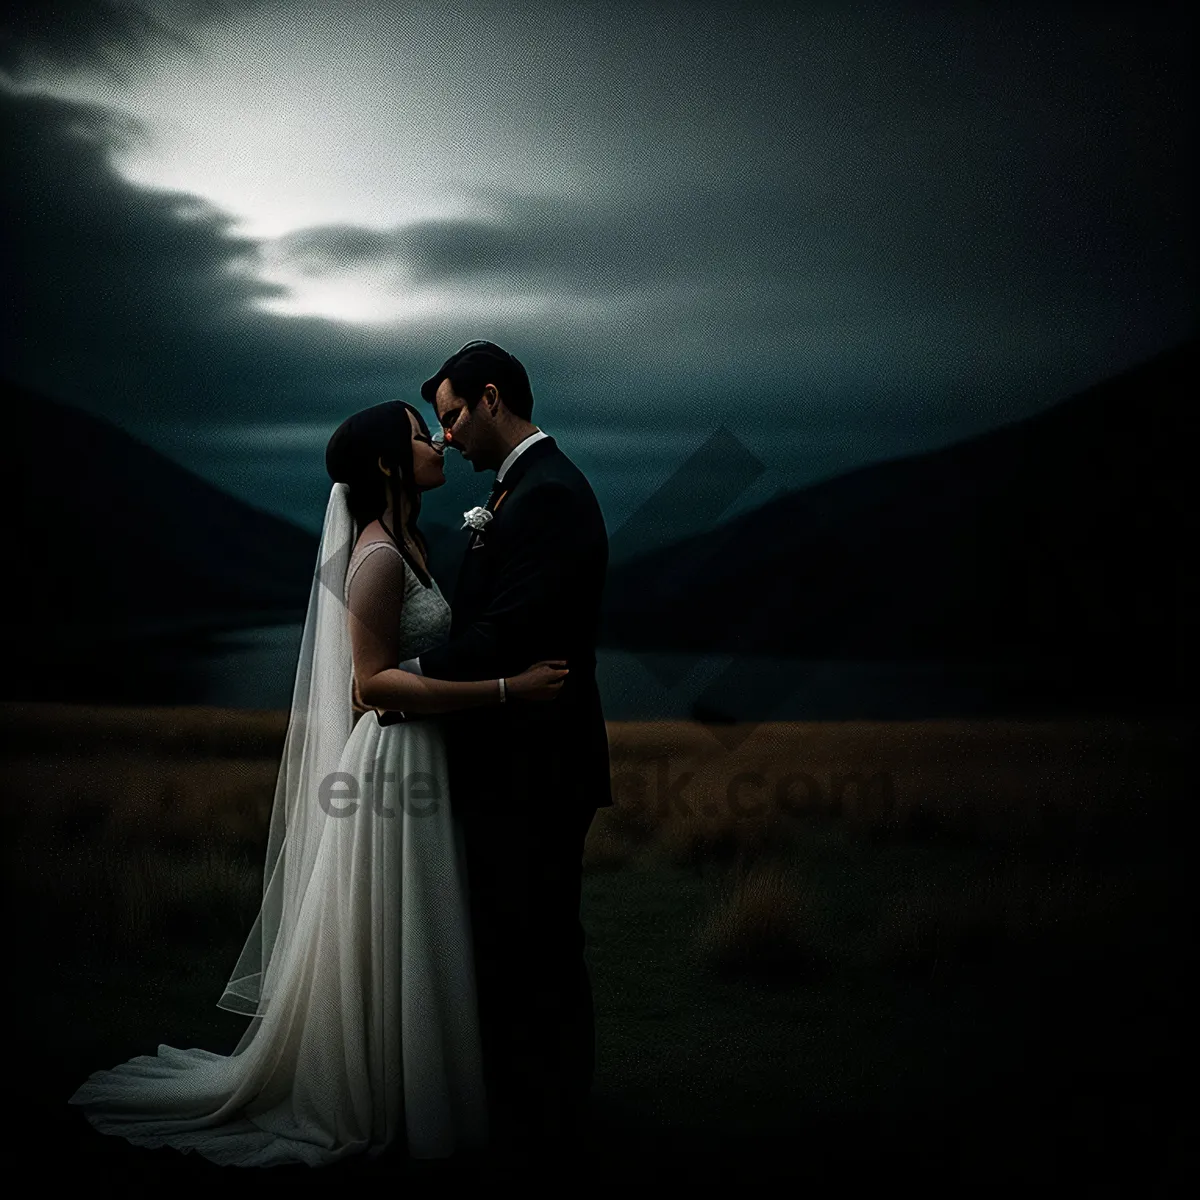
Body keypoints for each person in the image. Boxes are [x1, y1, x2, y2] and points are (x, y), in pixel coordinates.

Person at [67, 399, 569, 1168]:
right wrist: (508, 690)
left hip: (426, 760)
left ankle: (411, 1085)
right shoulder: (374, 558)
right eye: (417, 434)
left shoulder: (413, 542)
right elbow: (372, 687)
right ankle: (378, 1094)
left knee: (419, 925)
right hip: (397, 765)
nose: (437, 442)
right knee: (398, 921)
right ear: (384, 465)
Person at [388, 339, 613, 1170]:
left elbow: (510, 631)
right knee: (514, 941)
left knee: (540, 943)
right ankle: (529, 1105)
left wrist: (396, 677)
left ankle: (552, 1122)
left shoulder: (547, 494)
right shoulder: (521, 488)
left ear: (490, 399)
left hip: (539, 766)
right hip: (515, 763)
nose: (444, 437)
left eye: (449, 417)